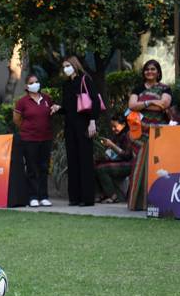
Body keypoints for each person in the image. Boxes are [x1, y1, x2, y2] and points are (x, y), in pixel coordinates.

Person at [50, 56, 101, 207]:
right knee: (72, 160)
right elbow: (68, 108)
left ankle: (87, 198)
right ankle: (75, 197)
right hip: (70, 126)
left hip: (84, 125)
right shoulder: (66, 85)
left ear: (74, 65)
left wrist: (92, 121)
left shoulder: (85, 79)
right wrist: (58, 109)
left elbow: (95, 101)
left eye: (68, 65)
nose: (66, 68)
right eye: (64, 66)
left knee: (85, 160)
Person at [126, 59, 172, 211]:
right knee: (139, 166)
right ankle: (137, 204)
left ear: (158, 72)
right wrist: (151, 102)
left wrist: (143, 104)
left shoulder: (165, 88)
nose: (149, 72)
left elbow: (164, 105)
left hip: (158, 134)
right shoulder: (138, 88)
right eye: (147, 69)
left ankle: (155, 203)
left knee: (157, 165)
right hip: (140, 134)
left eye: (153, 69)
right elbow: (132, 106)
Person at [13, 74, 58, 207]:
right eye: (32, 82)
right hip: (29, 139)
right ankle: (32, 196)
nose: (35, 84)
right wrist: (27, 129)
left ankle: (43, 196)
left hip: (45, 138)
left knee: (44, 167)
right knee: (32, 168)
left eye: (37, 81)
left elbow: (51, 113)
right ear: (27, 86)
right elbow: (16, 119)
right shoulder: (22, 101)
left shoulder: (47, 99)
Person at [95, 114, 133, 203]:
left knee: (102, 169)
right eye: (112, 127)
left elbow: (127, 156)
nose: (113, 129)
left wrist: (112, 145)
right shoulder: (116, 135)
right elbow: (111, 154)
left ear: (123, 124)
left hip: (128, 164)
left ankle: (113, 196)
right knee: (95, 164)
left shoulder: (128, 135)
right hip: (117, 162)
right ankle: (102, 194)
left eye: (115, 126)